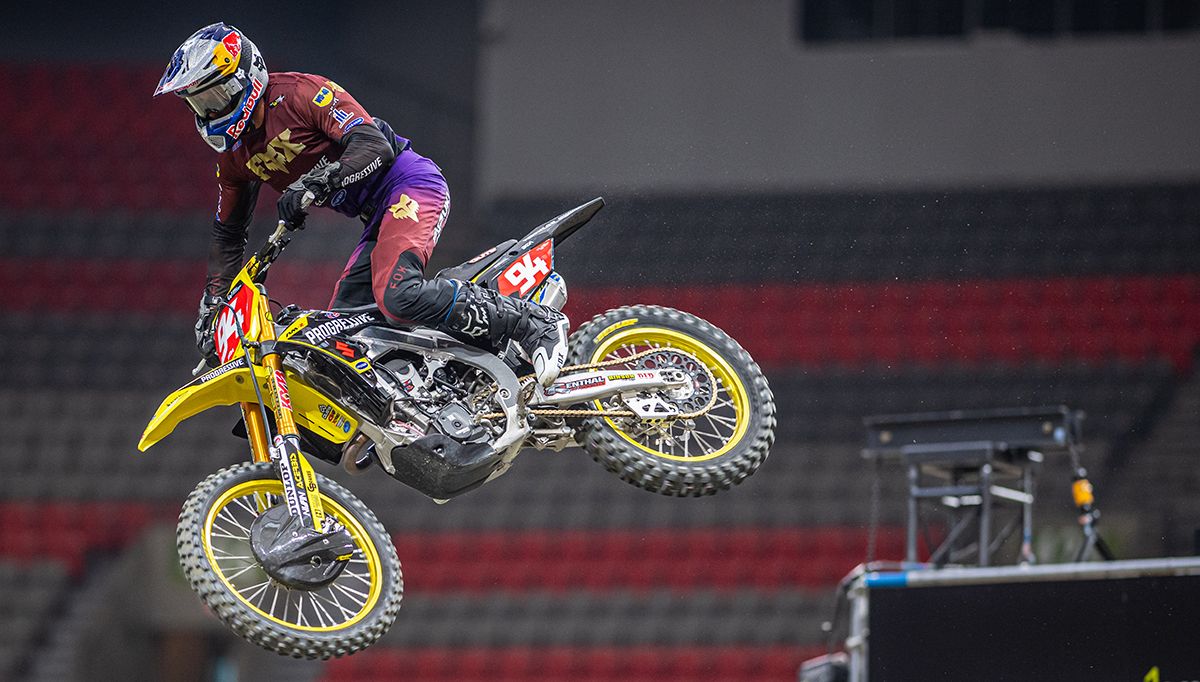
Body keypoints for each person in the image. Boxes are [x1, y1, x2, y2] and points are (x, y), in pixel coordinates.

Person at [154, 23, 568, 386]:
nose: (211, 110)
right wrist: (213, 306)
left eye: (217, 95)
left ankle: (533, 323)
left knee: (398, 294)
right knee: (341, 339)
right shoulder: (234, 160)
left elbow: (374, 146)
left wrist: (315, 183)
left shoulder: (301, 93)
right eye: (200, 103)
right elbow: (228, 235)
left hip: (409, 183)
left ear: (248, 76)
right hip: (376, 216)